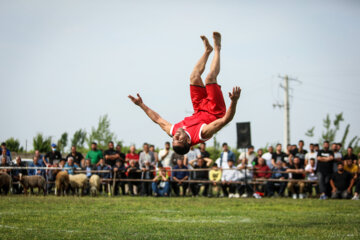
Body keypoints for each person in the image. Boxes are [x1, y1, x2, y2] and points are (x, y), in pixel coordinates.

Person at [129, 32, 241, 155]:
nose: (175, 137)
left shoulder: (174, 131)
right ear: (188, 140)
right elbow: (226, 120)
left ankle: (207, 51)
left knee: (193, 76)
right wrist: (234, 101)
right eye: (178, 140)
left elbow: (157, 119)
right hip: (215, 111)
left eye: (173, 140)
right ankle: (217, 48)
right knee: (209, 78)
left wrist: (141, 105)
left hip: (199, 108)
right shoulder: (202, 133)